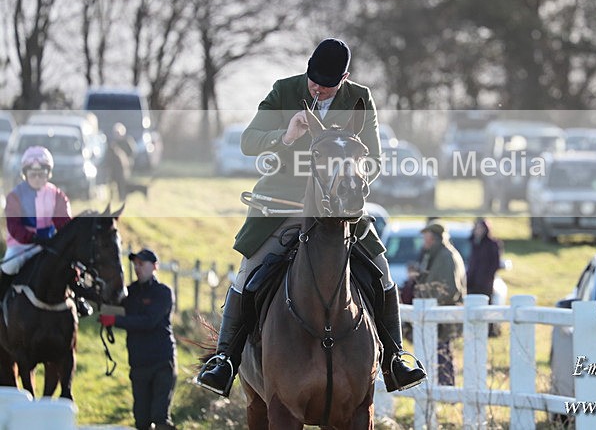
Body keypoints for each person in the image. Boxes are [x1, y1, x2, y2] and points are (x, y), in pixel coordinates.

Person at [196, 38, 425, 396]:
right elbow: (248, 141)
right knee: (248, 271)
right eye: (313, 79)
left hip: (339, 206)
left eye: (326, 84)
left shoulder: (360, 99)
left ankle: (396, 357)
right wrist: (285, 135)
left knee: (380, 270)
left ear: (345, 78)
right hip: (282, 205)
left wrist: (350, 179)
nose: (316, 88)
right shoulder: (285, 91)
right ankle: (224, 360)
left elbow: (375, 160)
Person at [1, 146, 91, 316]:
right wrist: (33, 238)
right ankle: (2, 300)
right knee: (9, 266)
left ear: (48, 173)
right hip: (22, 246)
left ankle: (78, 299)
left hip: (50, 244)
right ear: (25, 174)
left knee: (71, 266)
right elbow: (14, 227)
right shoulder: (14, 196)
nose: (36, 177)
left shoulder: (57, 195)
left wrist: (58, 240)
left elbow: (64, 224)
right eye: (32, 174)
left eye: (41, 173)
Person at [99, 249, 176, 430]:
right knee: (141, 422)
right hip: (138, 364)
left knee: (160, 419)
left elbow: (149, 321)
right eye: (135, 264)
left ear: (155, 266)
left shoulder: (163, 293)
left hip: (162, 363)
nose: (137, 267)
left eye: (142, 264)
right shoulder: (129, 292)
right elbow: (109, 305)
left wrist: (114, 320)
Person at [413, 220, 466, 386]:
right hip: (438, 314)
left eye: (426, 237)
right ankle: (441, 389)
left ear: (435, 238)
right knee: (439, 352)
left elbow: (450, 289)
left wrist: (433, 304)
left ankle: (446, 389)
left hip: (443, 316)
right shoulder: (437, 255)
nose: (424, 241)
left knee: (442, 352)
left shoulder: (446, 256)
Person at [106, 123, 148, 201]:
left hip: (126, 166)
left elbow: (133, 152)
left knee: (124, 183)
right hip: (116, 168)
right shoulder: (114, 144)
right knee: (117, 183)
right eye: (115, 133)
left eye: (118, 133)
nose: (117, 135)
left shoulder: (127, 141)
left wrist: (127, 159)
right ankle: (118, 197)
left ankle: (123, 197)